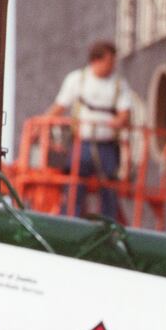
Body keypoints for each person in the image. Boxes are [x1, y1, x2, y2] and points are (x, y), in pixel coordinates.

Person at [45, 40, 133, 220]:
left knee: (109, 185)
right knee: (75, 182)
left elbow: (125, 114)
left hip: (107, 145)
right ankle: (70, 220)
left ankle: (109, 225)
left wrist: (117, 121)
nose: (112, 66)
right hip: (82, 143)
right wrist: (42, 124)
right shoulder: (77, 80)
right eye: (109, 62)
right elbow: (60, 106)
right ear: (96, 61)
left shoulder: (118, 84)